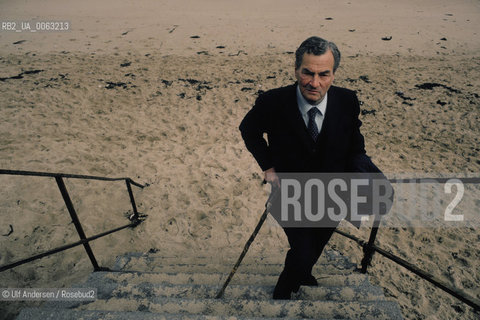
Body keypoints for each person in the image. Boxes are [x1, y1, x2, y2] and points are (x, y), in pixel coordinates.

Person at [239, 36, 382, 299]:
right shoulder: (273, 102)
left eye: (323, 74)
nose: (314, 83)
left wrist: (365, 173)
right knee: (303, 250)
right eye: (307, 72)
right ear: (296, 70)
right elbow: (248, 130)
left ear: (334, 75)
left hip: (333, 194)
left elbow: (355, 142)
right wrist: (268, 166)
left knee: (315, 245)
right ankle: (284, 288)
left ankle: (302, 272)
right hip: (289, 194)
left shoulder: (348, 101)